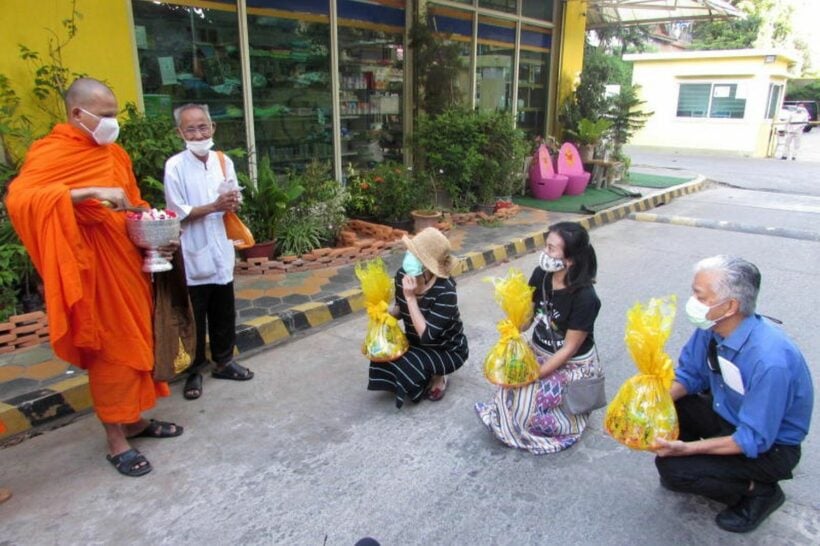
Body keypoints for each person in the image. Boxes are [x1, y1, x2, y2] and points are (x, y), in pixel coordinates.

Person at [6, 78, 183, 478]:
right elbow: (21, 199)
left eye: (114, 114)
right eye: (104, 115)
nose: (112, 122)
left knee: (139, 341)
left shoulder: (114, 153)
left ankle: (135, 421)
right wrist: (86, 192)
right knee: (111, 354)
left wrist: (156, 232)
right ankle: (116, 440)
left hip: (125, 261)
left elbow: (131, 203)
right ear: (77, 114)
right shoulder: (51, 152)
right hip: (90, 269)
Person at [653, 256, 813, 533]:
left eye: (699, 295)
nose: (692, 301)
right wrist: (643, 407)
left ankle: (759, 492)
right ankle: (704, 465)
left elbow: (753, 437)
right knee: (671, 407)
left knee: (673, 469)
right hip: (730, 413)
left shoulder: (769, 361)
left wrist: (687, 450)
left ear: (729, 306)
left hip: (771, 446)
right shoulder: (713, 328)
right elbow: (690, 376)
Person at [475, 221, 601, 454]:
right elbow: (528, 320)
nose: (545, 252)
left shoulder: (585, 298)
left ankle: (568, 421)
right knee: (509, 385)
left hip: (569, 363)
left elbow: (569, 349)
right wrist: (512, 328)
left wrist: (533, 375)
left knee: (532, 404)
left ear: (570, 259)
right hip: (538, 350)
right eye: (546, 246)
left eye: (552, 249)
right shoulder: (541, 275)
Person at [164, 103, 254, 400]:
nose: (199, 133)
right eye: (191, 128)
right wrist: (214, 206)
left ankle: (224, 361)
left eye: (203, 126)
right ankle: (194, 371)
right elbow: (177, 212)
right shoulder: (175, 166)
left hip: (220, 248)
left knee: (223, 310)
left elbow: (234, 195)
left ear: (212, 127)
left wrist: (232, 202)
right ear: (180, 132)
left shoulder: (222, 160)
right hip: (193, 252)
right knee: (194, 317)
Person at [367, 227, 468, 408]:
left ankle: (440, 375)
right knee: (380, 353)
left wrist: (411, 297)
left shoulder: (445, 290)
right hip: (415, 343)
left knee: (408, 365)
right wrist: (383, 313)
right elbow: (400, 310)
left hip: (446, 349)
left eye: (416, 255)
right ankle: (420, 373)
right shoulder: (401, 276)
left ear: (428, 266)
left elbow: (427, 335)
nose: (409, 257)